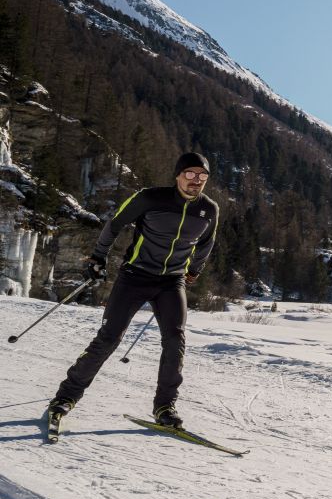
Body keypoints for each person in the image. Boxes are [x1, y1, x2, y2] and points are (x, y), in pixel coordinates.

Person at [47, 153, 220, 430]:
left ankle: (165, 406)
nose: (195, 180)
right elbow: (115, 224)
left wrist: (194, 270)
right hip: (135, 275)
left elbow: (206, 244)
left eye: (202, 176)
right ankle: (65, 397)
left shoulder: (209, 209)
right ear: (177, 175)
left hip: (171, 281)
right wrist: (97, 258)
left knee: (175, 341)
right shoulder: (150, 198)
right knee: (109, 338)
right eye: (190, 173)